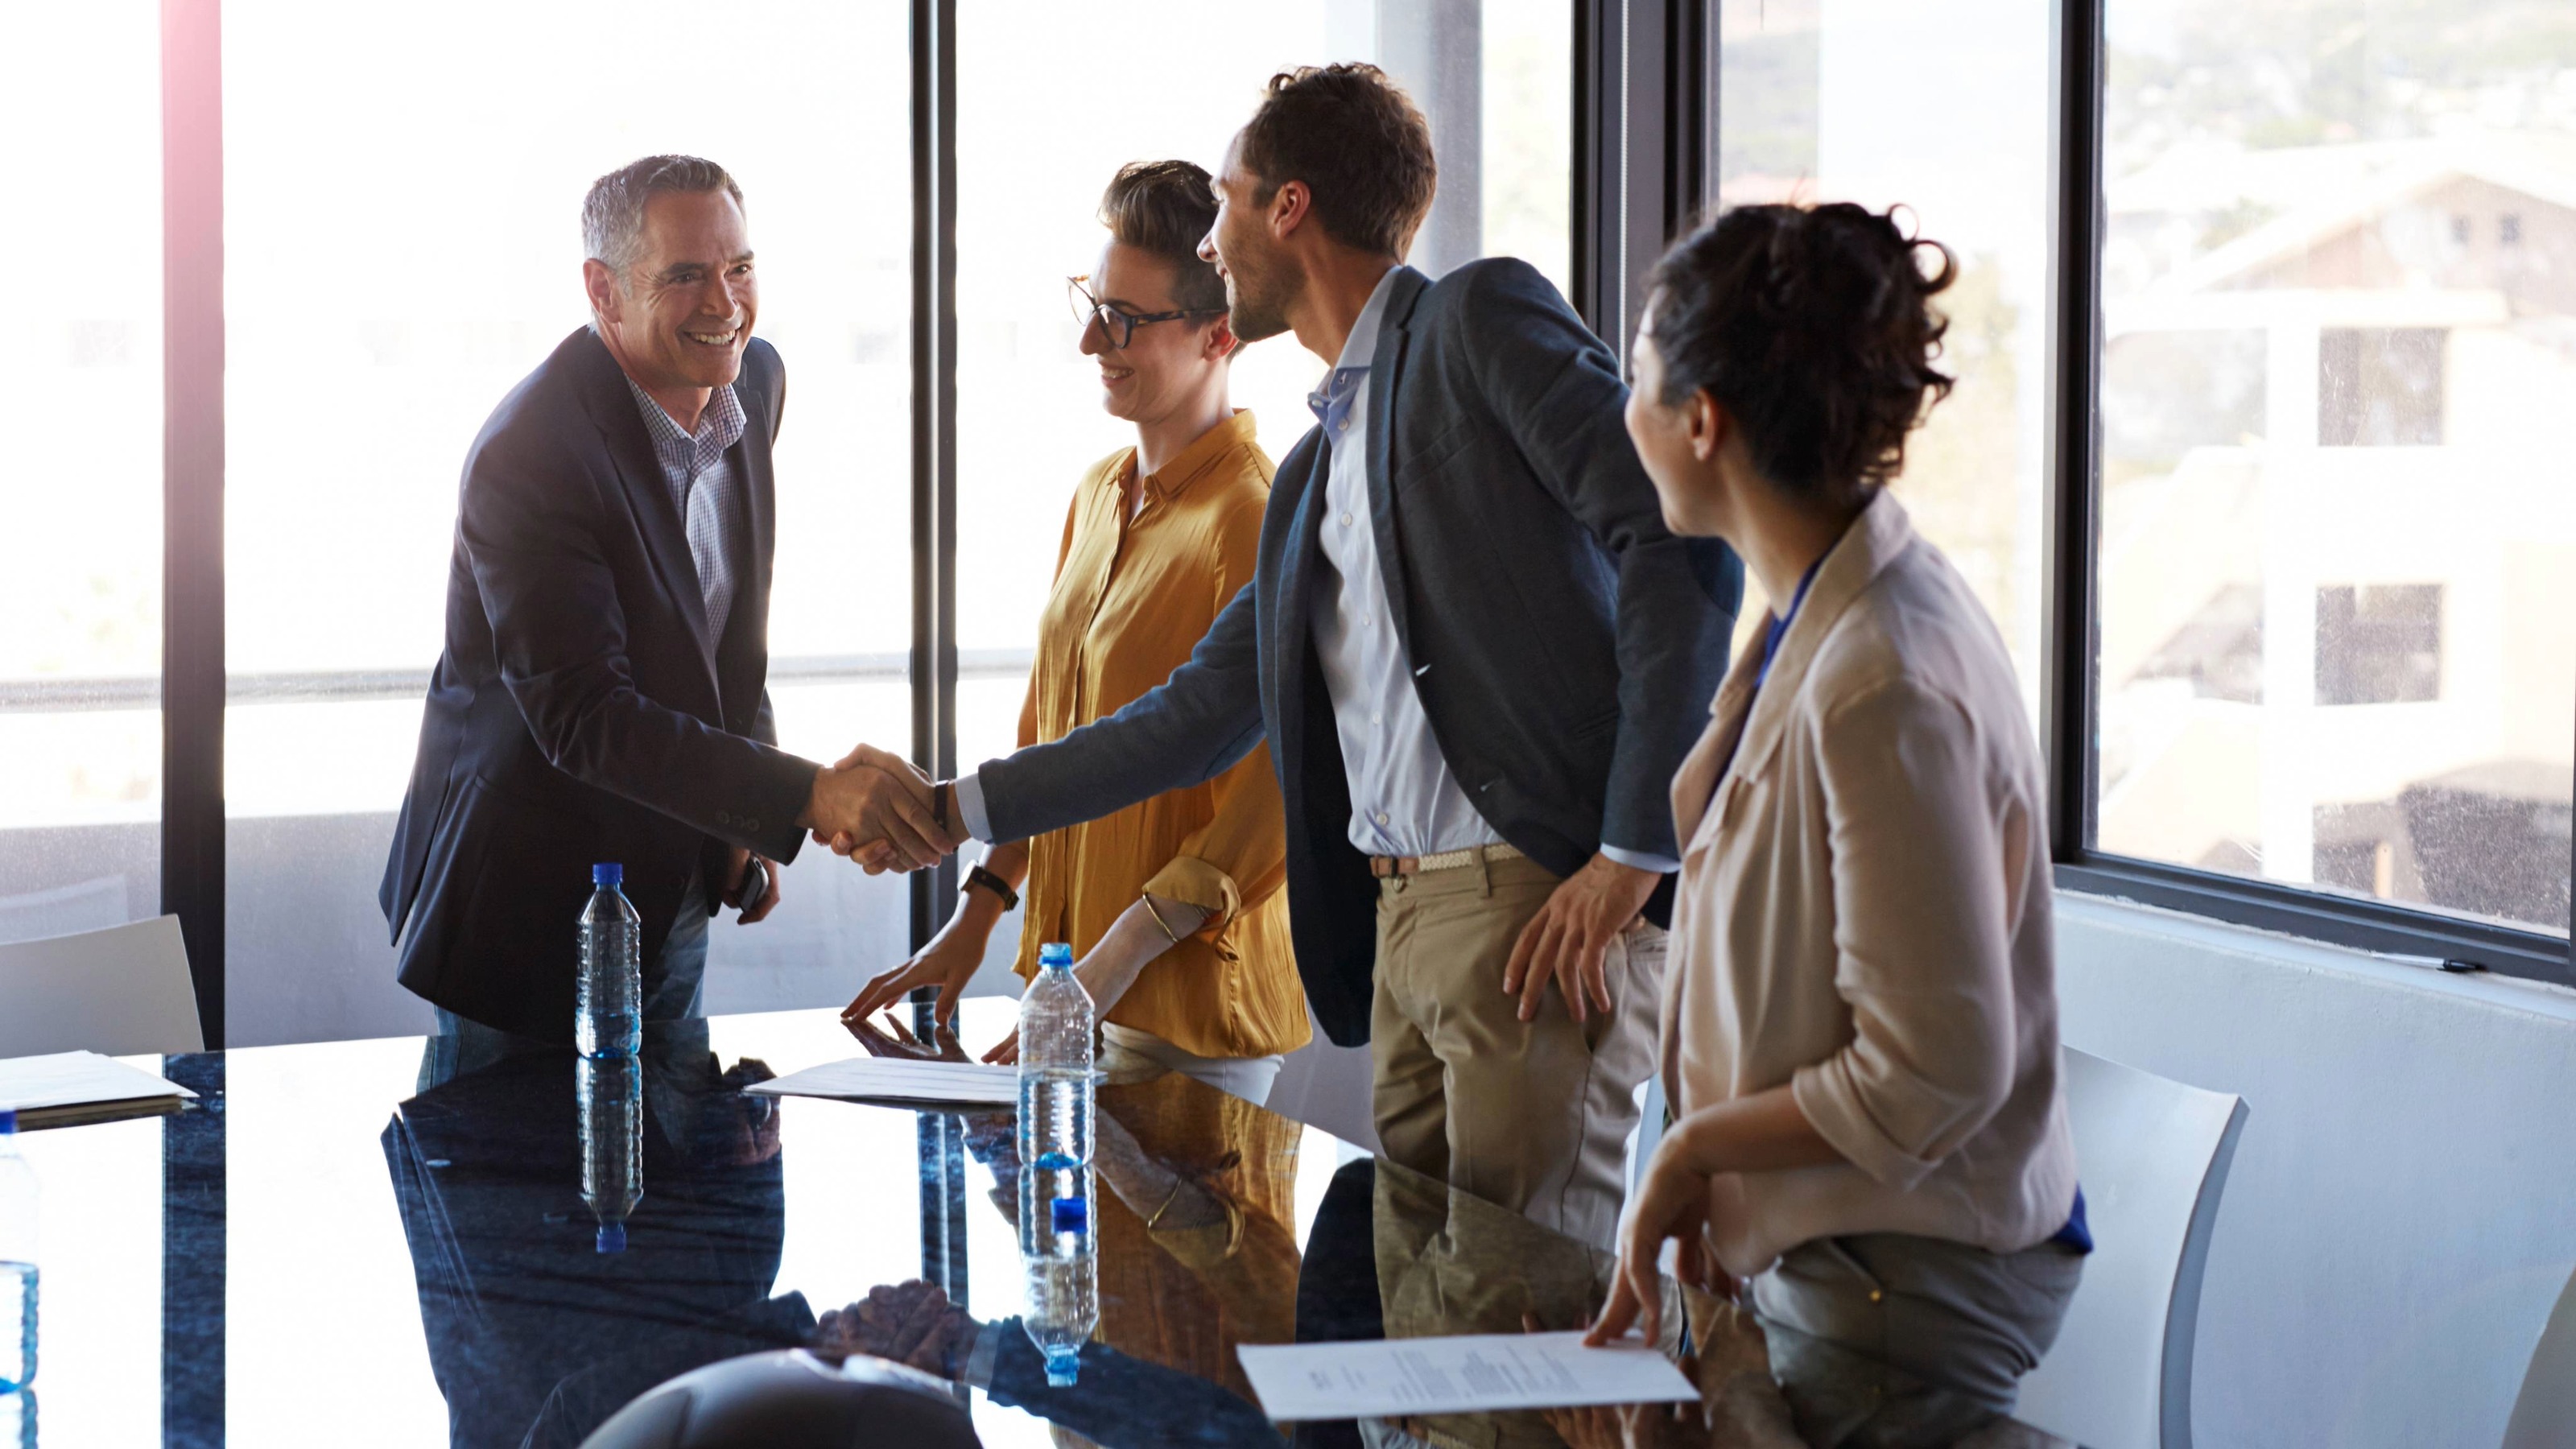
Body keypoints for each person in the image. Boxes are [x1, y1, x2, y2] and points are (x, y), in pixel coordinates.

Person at [832, 65, 1740, 1249]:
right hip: (1399, 929)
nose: (1214, 235)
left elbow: (1683, 536)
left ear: (1289, 209)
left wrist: (1631, 853)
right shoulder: (1318, 470)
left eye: (1227, 199)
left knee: (1515, 1348)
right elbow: (1193, 716)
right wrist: (954, 811)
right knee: (1421, 1353)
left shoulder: (1474, 321)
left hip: (1531, 901)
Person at [1587, 202, 2087, 1445]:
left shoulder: (1883, 676)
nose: (1626, 412)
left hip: (1889, 1290)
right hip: (1831, 1255)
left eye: (1637, 379)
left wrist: (1697, 1149)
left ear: (1701, 421)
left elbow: (1932, 1067)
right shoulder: (1819, 604)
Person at [379, 155, 943, 1046]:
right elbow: (584, 717)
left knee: (672, 1174)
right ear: (603, 291)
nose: (724, 302)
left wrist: (746, 816)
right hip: (525, 912)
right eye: (685, 275)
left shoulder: (753, 381)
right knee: (513, 1182)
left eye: (740, 268)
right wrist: (804, 795)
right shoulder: (533, 451)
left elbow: (724, 634)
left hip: (669, 883)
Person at [840, 161, 1308, 1104]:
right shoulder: (1096, 494)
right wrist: (977, 916)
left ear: (1219, 335)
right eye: (1094, 305)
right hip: (1063, 997)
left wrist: (1109, 968)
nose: (1093, 337)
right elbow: (1047, 743)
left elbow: (1267, 809)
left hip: (1183, 1023)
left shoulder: (1255, 517)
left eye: (1126, 319)